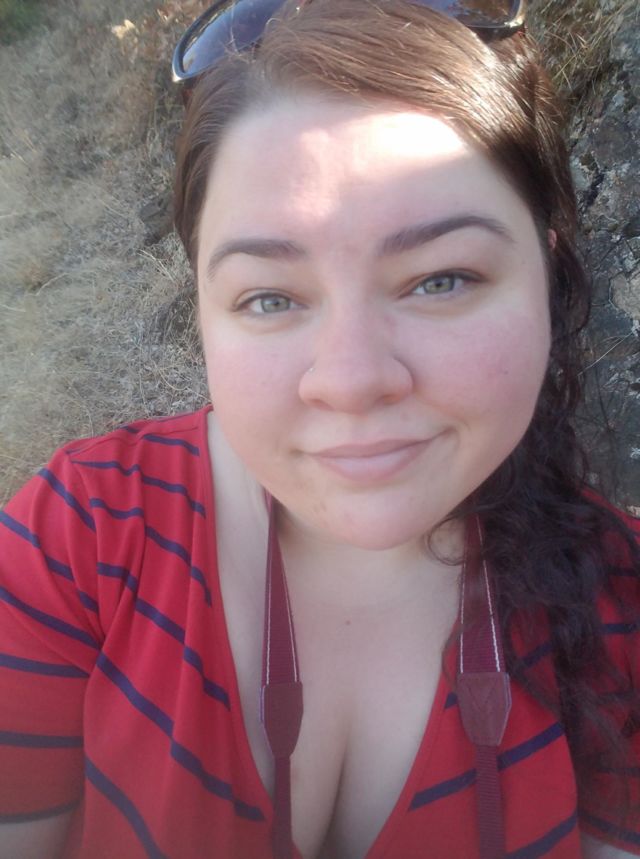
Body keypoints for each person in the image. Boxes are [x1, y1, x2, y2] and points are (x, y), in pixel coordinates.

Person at [1, 0, 639, 857]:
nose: (351, 381)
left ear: (547, 279)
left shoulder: (623, 610)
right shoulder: (79, 541)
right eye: (270, 297)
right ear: (205, 312)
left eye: (441, 279)